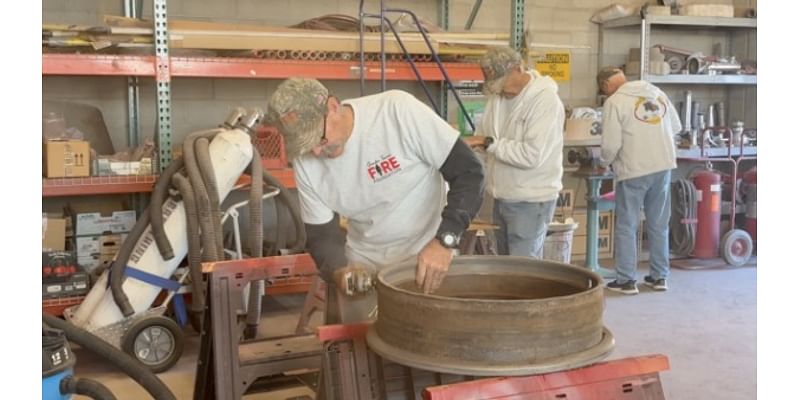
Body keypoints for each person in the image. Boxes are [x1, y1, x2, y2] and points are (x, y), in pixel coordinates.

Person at [266, 78, 485, 322]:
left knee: (431, 341)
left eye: (319, 138)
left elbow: (469, 173)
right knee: (368, 348)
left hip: (426, 257)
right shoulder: (306, 164)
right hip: (365, 266)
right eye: (307, 147)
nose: (316, 152)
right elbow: (321, 235)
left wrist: (444, 242)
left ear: (333, 107)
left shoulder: (396, 113)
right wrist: (341, 271)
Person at [463, 46, 564, 259]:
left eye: (502, 84)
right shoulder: (496, 99)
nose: (500, 90)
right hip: (501, 197)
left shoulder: (545, 101)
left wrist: (488, 143)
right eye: (495, 86)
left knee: (524, 271)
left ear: (518, 68)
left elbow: (532, 155)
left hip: (531, 200)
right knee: (506, 269)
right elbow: (481, 142)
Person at [596, 66, 681, 295]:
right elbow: (677, 127)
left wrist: (604, 162)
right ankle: (659, 276)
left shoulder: (614, 102)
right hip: (663, 166)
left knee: (627, 226)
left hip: (634, 170)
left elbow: (611, 144)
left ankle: (626, 280)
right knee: (659, 224)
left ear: (606, 86)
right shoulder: (656, 92)